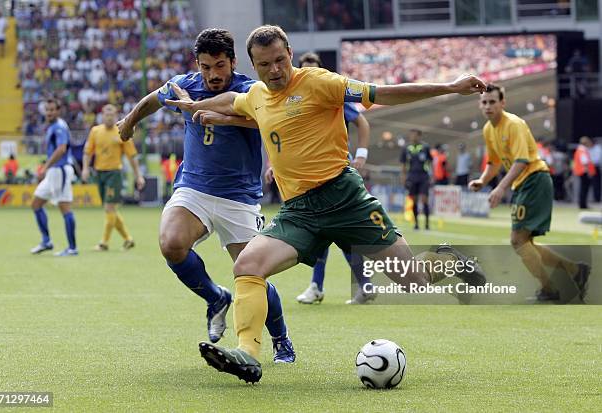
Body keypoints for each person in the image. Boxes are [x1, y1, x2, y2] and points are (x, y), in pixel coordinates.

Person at [165, 25, 488, 384]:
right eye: (264, 65)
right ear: (252, 67)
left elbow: (385, 94)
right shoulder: (256, 93)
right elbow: (235, 101)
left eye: (279, 61)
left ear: (290, 54)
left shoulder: (320, 82)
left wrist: (450, 87)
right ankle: (248, 354)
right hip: (300, 210)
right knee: (248, 265)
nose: (274, 70)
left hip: (346, 199)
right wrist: (201, 107)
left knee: (414, 281)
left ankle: (448, 259)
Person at [116, 28, 295, 363]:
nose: (213, 74)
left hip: (238, 196)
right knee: (171, 243)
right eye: (206, 67)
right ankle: (216, 298)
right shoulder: (185, 84)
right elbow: (153, 100)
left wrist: (219, 116)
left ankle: (281, 338)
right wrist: (128, 122)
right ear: (197, 64)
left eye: (220, 66)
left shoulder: (250, 89)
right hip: (194, 189)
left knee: (253, 272)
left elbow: (269, 121)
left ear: (233, 62)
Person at [469, 84, 590, 302]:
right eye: (484, 102)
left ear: (502, 103)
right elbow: (494, 162)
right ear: (480, 105)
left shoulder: (514, 124)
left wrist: (500, 187)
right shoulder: (489, 129)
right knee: (526, 243)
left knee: (518, 241)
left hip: (535, 179)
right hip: (523, 184)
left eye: (492, 101)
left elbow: (522, 161)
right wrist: (483, 180)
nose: (488, 106)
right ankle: (575, 271)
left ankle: (549, 289)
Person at [284, 51, 374, 305]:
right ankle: (336, 285)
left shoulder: (329, 93)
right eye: (304, 68)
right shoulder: (289, 99)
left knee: (336, 230)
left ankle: (323, 286)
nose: (309, 73)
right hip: (308, 175)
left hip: (335, 171)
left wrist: (362, 155)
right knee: (326, 230)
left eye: (314, 68)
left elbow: (362, 122)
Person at [82, 104, 145, 251]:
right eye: (106, 114)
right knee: (109, 209)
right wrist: (85, 169)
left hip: (114, 174)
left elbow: (132, 156)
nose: (109, 117)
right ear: (102, 115)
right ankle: (128, 239)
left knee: (109, 207)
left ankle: (104, 243)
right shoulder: (95, 131)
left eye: (112, 114)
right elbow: (87, 152)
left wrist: (138, 176)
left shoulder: (122, 130)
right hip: (99, 173)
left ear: (116, 116)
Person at [30, 98, 78, 256]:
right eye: (47, 110)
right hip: (53, 172)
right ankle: (46, 241)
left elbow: (62, 149)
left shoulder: (59, 127)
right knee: (36, 203)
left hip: (60, 170)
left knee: (65, 208)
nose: (49, 112)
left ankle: (72, 248)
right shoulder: (53, 126)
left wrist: (46, 166)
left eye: (52, 110)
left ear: (58, 111)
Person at [401, 129, 433, 230]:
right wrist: (403, 177)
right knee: (414, 200)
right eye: (411, 135)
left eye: (415, 135)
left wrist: (432, 176)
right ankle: (416, 224)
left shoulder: (425, 147)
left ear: (419, 136)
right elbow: (403, 164)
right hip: (412, 176)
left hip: (423, 176)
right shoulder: (406, 148)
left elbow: (431, 162)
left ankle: (427, 224)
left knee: (424, 199)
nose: (412, 137)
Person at [572, 136, 596, 209]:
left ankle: (582, 204)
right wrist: (588, 172)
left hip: (581, 171)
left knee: (583, 188)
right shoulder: (583, 150)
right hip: (584, 172)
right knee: (584, 189)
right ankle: (583, 204)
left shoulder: (579, 150)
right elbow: (585, 162)